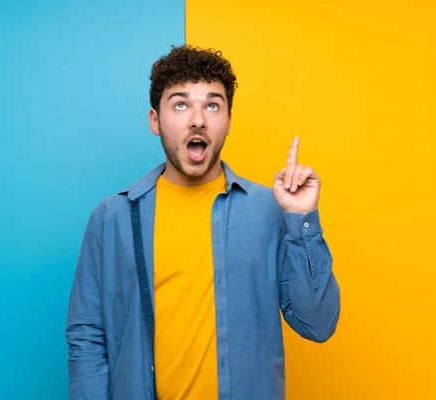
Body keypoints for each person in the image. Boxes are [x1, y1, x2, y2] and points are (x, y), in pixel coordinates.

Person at [65, 44, 340, 400]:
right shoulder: (112, 218)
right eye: (180, 104)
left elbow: (318, 324)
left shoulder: (270, 210)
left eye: (213, 105)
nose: (198, 119)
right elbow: (87, 336)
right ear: (155, 121)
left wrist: (301, 218)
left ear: (228, 122)